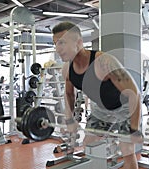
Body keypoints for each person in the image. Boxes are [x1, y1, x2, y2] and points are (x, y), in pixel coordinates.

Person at [52, 21, 142, 169]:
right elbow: (69, 94)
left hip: (125, 107)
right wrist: (69, 119)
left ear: (79, 43)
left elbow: (134, 94)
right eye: (55, 44)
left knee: (127, 150)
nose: (57, 49)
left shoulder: (104, 62)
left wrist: (134, 129)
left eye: (62, 42)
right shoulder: (67, 69)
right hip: (101, 109)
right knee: (89, 144)